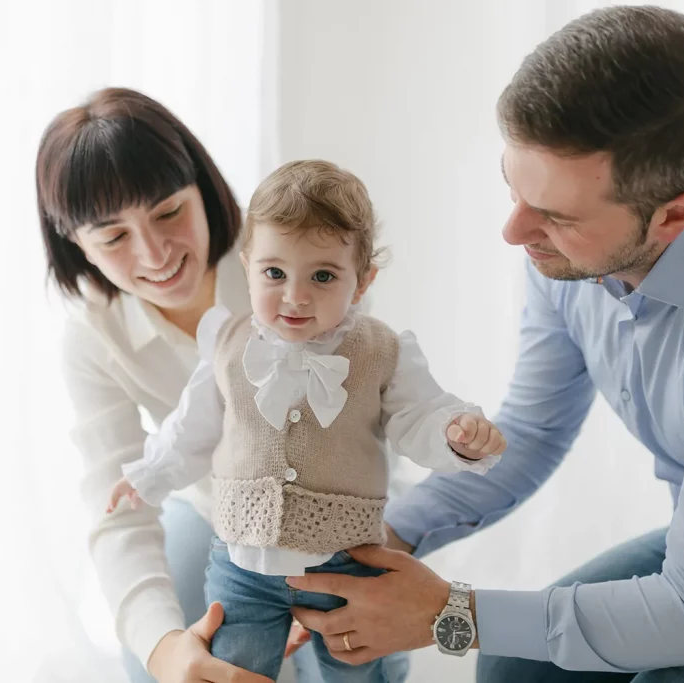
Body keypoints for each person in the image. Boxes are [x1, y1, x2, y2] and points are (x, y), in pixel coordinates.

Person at [286, 6, 684, 682]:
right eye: (513, 186)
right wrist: (380, 535)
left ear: (673, 216)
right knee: (512, 667)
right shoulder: (571, 251)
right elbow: (532, 432)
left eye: (554, 214)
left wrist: (444, 612)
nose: (514, 232)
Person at [36, 88, 410, 683]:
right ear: (75, 245)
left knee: (349, 655)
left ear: (203, 188)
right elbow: (119, 514)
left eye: (168, 213)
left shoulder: (288, 256)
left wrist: (374, 554)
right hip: (221, 514)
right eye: (113, 238)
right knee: (153, 655)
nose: (155, 253)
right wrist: (164, 650)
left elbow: (383, 415)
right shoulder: (93, 336)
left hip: (340, 517)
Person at [105, 159, 506, 681]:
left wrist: (453, 434)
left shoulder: (382, 351)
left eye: (323, 276)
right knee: (233, 668)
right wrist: (149, 474)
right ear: (248, 267)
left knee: (357, 669)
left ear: (362, 281)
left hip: (346, 561)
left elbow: (418, 414)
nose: (295, 296)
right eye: (274, 274)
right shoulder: (227, 344)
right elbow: (189, 429)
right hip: (242, 564)